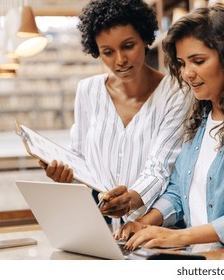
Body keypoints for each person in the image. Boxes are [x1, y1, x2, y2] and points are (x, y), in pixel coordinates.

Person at [115, 3, 224, 260]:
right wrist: (145, 222)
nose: (187, 73)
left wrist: (180, 236)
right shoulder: (199, 118)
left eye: (198, 61)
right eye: (182, 63)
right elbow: (178, 192)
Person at [39, 0, 190, 220]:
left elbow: (161, 167)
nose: (120, 60)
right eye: (108, 52)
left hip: (153, 224)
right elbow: (79, 155)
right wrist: (63, 171)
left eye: (128, 46)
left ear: (145, 39)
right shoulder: (88, 91)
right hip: (98, 221)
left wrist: (131, 198)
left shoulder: (176, 93)